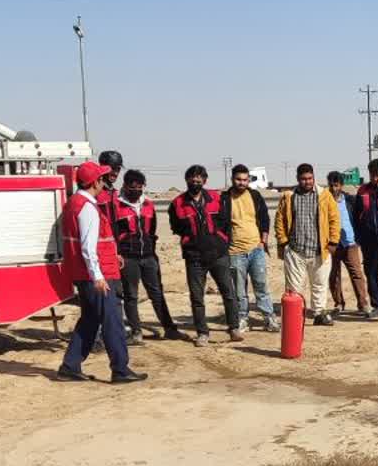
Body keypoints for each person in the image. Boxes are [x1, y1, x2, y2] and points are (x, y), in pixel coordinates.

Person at [55, 160, 148, 386]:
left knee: (90, 320)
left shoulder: (75, 203)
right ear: (95, 182)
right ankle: (120, 369)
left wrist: (111, 256)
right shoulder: (87, 207)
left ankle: (70, 366)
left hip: (88, 272)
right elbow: (88, 246)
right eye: (102, 178)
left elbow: (92, 242)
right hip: (98, 275)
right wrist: (97, 275)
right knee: (112, 321)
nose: (104, 182)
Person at [168, 165, 242, 345]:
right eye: (192, 178)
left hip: (218, 255)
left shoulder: (216, 198)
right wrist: (190, 240)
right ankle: (202, 333)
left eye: (199, 178)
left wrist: (222, 240)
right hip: (194, 257)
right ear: (186, 180)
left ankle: (234, 328)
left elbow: (226, 222)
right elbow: (176, 227)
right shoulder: (177, 203)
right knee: (197, 297)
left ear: (205, 180)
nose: (195, 181)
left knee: (228, 292)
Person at [112, 168, 182, 342]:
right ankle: (136, 332)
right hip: (128, 258)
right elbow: (114, 233)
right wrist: (118, 253)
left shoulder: (149, 205)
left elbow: (152, 230)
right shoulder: (116, 206)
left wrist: (152, 251)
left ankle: (169, 329)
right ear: (125, 186)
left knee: (157, 293)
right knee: (131, 295)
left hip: (149, 257)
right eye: (132, 187)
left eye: (140, 187)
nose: (136, 190)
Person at [275, 163, 343, 326]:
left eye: (310, 178)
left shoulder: (324, 195)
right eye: (303, 179)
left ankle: (319, 314)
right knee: (294, 287)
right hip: (295, 250)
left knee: (319, 284)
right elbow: (279, 220)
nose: (307, 181)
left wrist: (333, 242)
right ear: (298, 179)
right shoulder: (289, 196)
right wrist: (283, 242)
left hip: (320, 250)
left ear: (314, 177)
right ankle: (294, 317)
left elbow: (334, 219)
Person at [222, 163, 276, 334]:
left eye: (245, 180)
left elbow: (264, 218)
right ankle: (242, 318)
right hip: (235, 252)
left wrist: (263, 241)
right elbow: (220, 225)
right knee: (239, 291)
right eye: (238, 179)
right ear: (232, 179)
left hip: (256, 250)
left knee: (261, 286)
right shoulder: (224, 199)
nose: (242, 183)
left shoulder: (255, 195)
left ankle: (269, 318)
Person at [325, 171, 370, 316]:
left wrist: (359, 236)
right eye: (331, 185)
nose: (333, 188)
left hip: (350, 242)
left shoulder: (350, 200)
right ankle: (338, 303)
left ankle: (363, 304)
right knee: (334, 275)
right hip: (332, 244)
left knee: (356, 273)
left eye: (336, 185)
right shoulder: (324, 201)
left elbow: (360, 216)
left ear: (341, 185)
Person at [354, 159, 378, 318]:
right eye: (372, 175)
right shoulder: (363, 190)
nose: (375, 178)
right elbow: (356, 216)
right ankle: (377, 306)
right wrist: (359, 236)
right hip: (369, 240)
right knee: (372, 274)